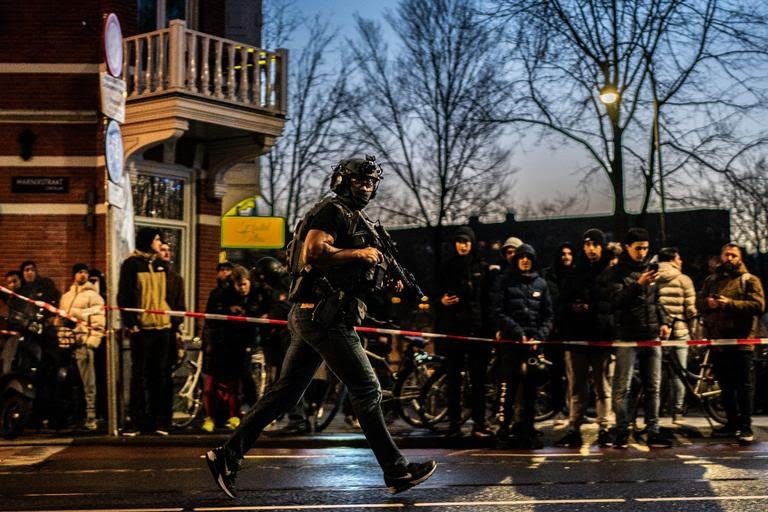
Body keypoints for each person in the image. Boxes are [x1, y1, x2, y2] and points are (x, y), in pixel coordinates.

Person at [206, 156, 436, 498]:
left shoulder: (354, 219)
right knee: (368, 390)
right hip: (325, 317)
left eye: (371, 183)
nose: (365, 188)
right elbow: (314, 252)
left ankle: (227, 455)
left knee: (284, 395)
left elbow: (351, 269)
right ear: (342, 181)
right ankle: (396, 470)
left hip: (317, 315)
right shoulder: (332, 211)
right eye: (359, 181)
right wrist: (361, 255)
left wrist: (387, 278)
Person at [608, 228, 671, 449]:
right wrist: (638, 285)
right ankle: (622, 429)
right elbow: (615, 301)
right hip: (628, 336)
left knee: (653, 386)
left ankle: (653, 429)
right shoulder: (617, 273)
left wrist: (664, 322)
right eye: (638, 248)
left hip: (651, 335)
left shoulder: (649, 270)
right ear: (628, 248)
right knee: (622, 387)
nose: (642, 252)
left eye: (645, 248)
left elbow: (656, 301)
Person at [698, 243, 765, 444]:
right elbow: (698, 302)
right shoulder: (712, 280)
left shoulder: (749, 280)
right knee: (726, 386)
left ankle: (745, 426)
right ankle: (731, 423)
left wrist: (730, 303)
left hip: (742, 342)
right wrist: (707, 304)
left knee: (743, 386)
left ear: (740, 258)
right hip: (719, 342)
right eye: (726, 254)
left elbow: (758, 305)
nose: (729, 258)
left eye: (733, 255)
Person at [555, 228, 615, 448]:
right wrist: (573, 308)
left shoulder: (610, 272)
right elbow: (561, 303)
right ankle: (574, 427)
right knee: (576, 387)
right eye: (587, 244)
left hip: (600, 339)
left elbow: (614, 304)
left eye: (595, 244)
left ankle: (605, 428)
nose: (591, 249)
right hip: (577, 338)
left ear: (601, 246)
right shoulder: (575, 273)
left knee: (602, 387)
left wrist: (595, 310)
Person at [491, 243, 553, 449]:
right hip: (510, 347)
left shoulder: (541, 284)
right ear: (516, 260)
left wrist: (539, 337)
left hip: (533, 348)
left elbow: (548, 315)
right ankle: (502, 433)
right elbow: (499, 312)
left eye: (529, 257)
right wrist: (518, 333)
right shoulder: (505, 282)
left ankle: (527, 433)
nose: (525, 260)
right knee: (506, 391)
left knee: (530, 394)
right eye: (521, 257)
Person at [435, 226, 493, 438]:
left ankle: (479, 423)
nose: (463, 245)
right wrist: (440, 301)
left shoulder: (482, 267)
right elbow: (434, 293)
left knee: (478, 380)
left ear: (472, 243)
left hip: (477, 331)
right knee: (453, 380)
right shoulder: (447, 267)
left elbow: (487, 301)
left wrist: (488, 329)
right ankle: (454, 424)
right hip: (454, 330)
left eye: (466, 241)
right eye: (459, 241)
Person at [117, 227, 173, 436]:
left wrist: (171, 321)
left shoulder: (161, 264)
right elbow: (124, 296)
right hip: (142, 329)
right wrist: (131, 324)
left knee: (160, 375)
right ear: (147, 241)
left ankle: (161, 422)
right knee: (139, 375)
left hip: (163, 328)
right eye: (157, 239)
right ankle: (138, 421)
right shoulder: (131, 265)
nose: (159, 243)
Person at [202, 265, 261, 433]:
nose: (242, 289)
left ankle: (237, 415)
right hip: (220, 345)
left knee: (237, 383)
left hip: (241, 346)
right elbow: (211, 317)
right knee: (213, 385)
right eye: (239, 285)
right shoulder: (222, 296)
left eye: (244, 285)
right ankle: (213, 418)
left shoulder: (254, 296)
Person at [57, 263, 105, 430]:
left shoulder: (94, 297)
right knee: (70, 383)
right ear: (74, 275)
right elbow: (60, 319)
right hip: (68, 345)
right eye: (79, 272)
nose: (82, 275)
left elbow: (98, 322)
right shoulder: (66, 297)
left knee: (88, 383)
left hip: (83, 344)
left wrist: (91, 342)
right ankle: (72, 416)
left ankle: (90, 417)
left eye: (85, 272)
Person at [655, 247, 697, 423]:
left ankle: (655, 412)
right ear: (672, 259)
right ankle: (677, 412)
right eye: (679, 258)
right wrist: (693, 332)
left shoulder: (651, 278)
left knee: (655, 375)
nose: (681, 261)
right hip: (680, 330)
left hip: (658, 332)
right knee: (679, 373)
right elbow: (690, 310)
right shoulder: (683, 279)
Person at [541, 242, 576, 425]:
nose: (566, 257)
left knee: (573, 373)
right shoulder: (548, 275)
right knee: (555, 371)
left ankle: (571, 408)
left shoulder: (576, 274)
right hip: (554, 331)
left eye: (569, 253)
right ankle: (557, 406)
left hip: (571, 330)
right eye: (563, 253)